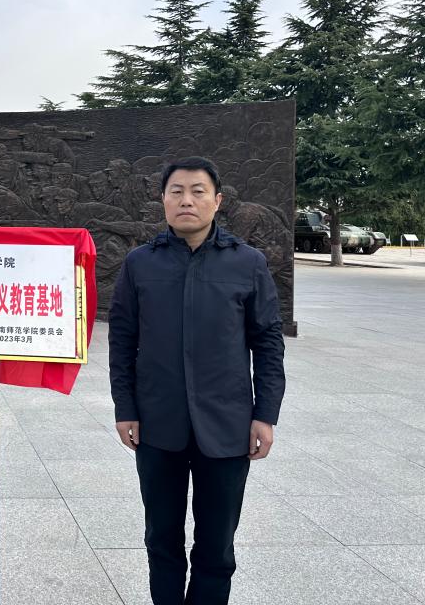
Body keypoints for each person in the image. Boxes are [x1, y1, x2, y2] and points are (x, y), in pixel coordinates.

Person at [108, 156, 285, 605]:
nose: (187, 200)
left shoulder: (247, 263)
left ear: (217, 201)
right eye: (177, 192)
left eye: (198, 191)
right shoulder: (139, 263)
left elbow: (267, 343)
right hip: (158, 425)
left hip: (227, 427)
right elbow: (122, 340)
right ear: (164, 200)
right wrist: (125, 408)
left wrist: (265, 414)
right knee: (161, 540)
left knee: (217, 547)